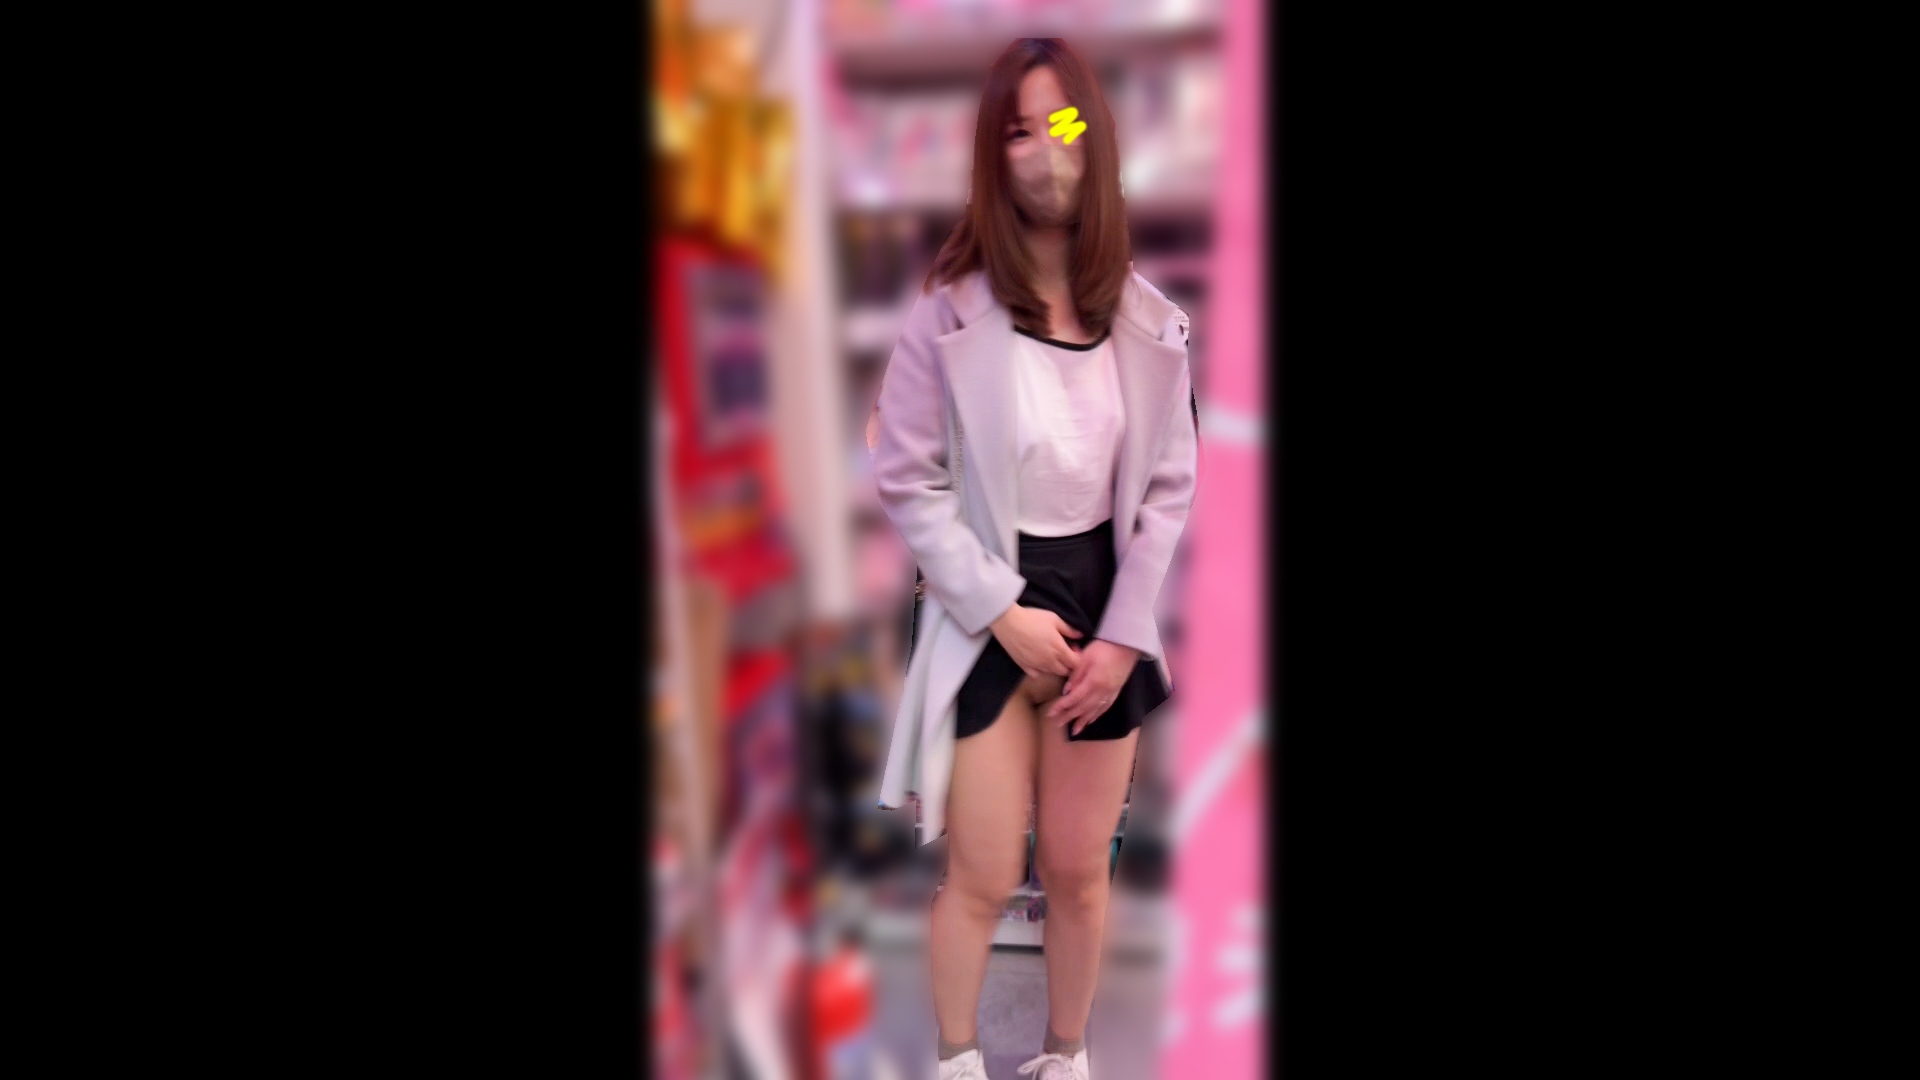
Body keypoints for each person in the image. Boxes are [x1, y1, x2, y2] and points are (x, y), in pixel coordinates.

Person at [871, 38, 1199, 1080]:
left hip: (1105, 613)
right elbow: (906, 477)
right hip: (987, 612)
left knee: (1078, 873)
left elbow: (1165, 495)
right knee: (977, 872)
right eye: (1018, 131)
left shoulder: (1148, 323)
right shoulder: (948, 313)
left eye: (1063, 124)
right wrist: (997, 608)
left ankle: (1065, 1055)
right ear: (990, 154)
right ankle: (958, 1057)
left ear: (1094, 139)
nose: (1045, 150)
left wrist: (1122, 638)